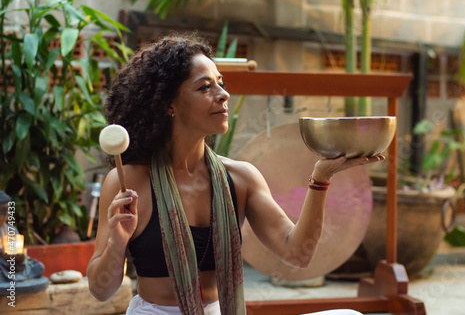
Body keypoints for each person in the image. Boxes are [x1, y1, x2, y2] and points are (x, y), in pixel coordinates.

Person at [86, 33, 384, 315]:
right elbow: (101, 291)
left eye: (221, 83)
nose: (223, 94)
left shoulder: (240, 178)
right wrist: (117, 241)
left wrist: (320, 179)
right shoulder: (130, 180)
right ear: (169, 105)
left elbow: (297, 254)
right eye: (205, 87)